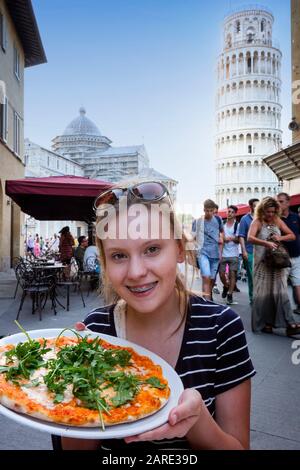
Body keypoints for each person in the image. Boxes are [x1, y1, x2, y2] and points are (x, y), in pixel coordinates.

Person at [61, 180, 255, 451]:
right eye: (118, 255)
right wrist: (74, 384)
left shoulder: (221, 328)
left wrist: (197, 421)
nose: (137, 272)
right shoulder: (95, 332)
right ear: (104, 263)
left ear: (178, 248)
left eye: (152, 249)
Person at [248, 197, 300, 335]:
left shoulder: (277, 221)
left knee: (280, 292)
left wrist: (280, 238)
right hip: (262, 263)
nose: (270, 214)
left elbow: (292, 235)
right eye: (267, 211)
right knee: (263, 294)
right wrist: (266, 243)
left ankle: (289, 323)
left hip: (277, 264)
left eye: (273, 211)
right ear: (262, 210)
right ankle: (267, 324)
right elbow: (250, 238)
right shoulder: (257, 222)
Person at [194, 199, 224, 300]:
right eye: (207, 210)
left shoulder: (218, 220)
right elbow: (193, 237)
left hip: (215, 254)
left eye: (211, 210)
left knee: (211, 279)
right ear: (204, 210)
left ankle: (208, 298)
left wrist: (220, 251)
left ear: (214, 210)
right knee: (206, 277)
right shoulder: (198, 221)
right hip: (203, 253)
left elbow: (221, 236)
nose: (209, 213)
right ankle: (206, 303)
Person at [277, 192, 300, 314]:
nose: (278, 204)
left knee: (298, 284)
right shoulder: (276, 219)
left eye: (281, 201)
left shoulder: (296, 217)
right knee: (282, 286)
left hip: (297, 256)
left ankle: (299, 306)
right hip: (282, 259)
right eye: (277, 201)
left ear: (288, 202)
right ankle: (282, 311)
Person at [238, 198, 259, 304]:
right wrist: (244, 251)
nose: (257, 207)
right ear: (250, 206)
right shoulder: (244, 219)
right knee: (252, 276)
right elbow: (241, 236)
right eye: (255, 205)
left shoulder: (261, 218)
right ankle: (253, 298)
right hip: (249, 251)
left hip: (261, 251)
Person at [219, 205, 239, 305]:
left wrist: (231, 238)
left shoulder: (237, 225)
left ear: (235, 214)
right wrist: (222, 239)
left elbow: (239, 239)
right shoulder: (222, 224)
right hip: (223, 254)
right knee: (221, 274)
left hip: (234, 254)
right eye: (228, 211)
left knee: (232, 275)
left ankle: (230, 294)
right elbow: (219, 237)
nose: (229, 213)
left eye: (231, 212)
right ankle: (226, 286)